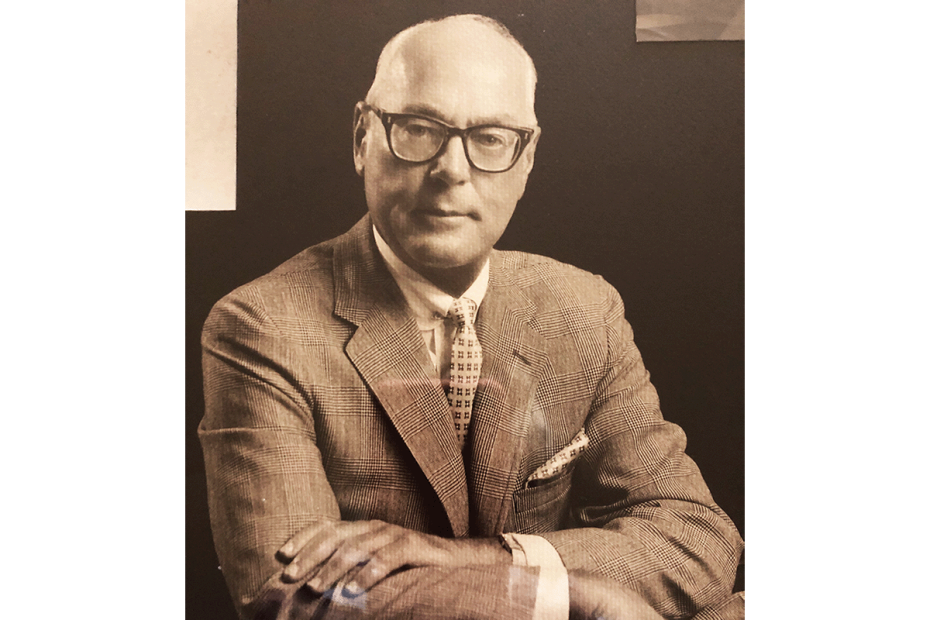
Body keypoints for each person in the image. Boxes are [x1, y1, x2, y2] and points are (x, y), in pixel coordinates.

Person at [199, 14, 744, 620]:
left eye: (489, 137)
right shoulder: (262, 326)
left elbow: (695, 536)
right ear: (361, 139)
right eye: (418, 128)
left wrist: (475, 559)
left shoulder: (584, 309)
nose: (451, 170)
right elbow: (296, 596)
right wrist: (565, 595)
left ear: (527, 157)